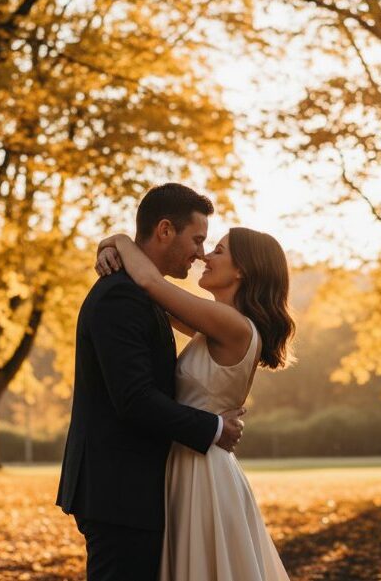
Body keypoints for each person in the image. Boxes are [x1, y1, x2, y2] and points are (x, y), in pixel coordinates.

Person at [95, 195, 296, 580]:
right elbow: (154, 307)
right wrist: (107, 249)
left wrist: (120, 240)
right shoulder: (217, 325)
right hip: (190, 459)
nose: (205, 256)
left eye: (217, 250)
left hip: (201, 468)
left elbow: (151, 283)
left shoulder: (231, 325)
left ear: (242, 271)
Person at [56, 183, 246, 581]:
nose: (200, 253)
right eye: (196, 240)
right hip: (120, 492)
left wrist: (119, 243)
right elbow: (134, 399)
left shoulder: (146, 294)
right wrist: (214, 427)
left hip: (141, 490)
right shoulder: (121, 297)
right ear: (164, 230)